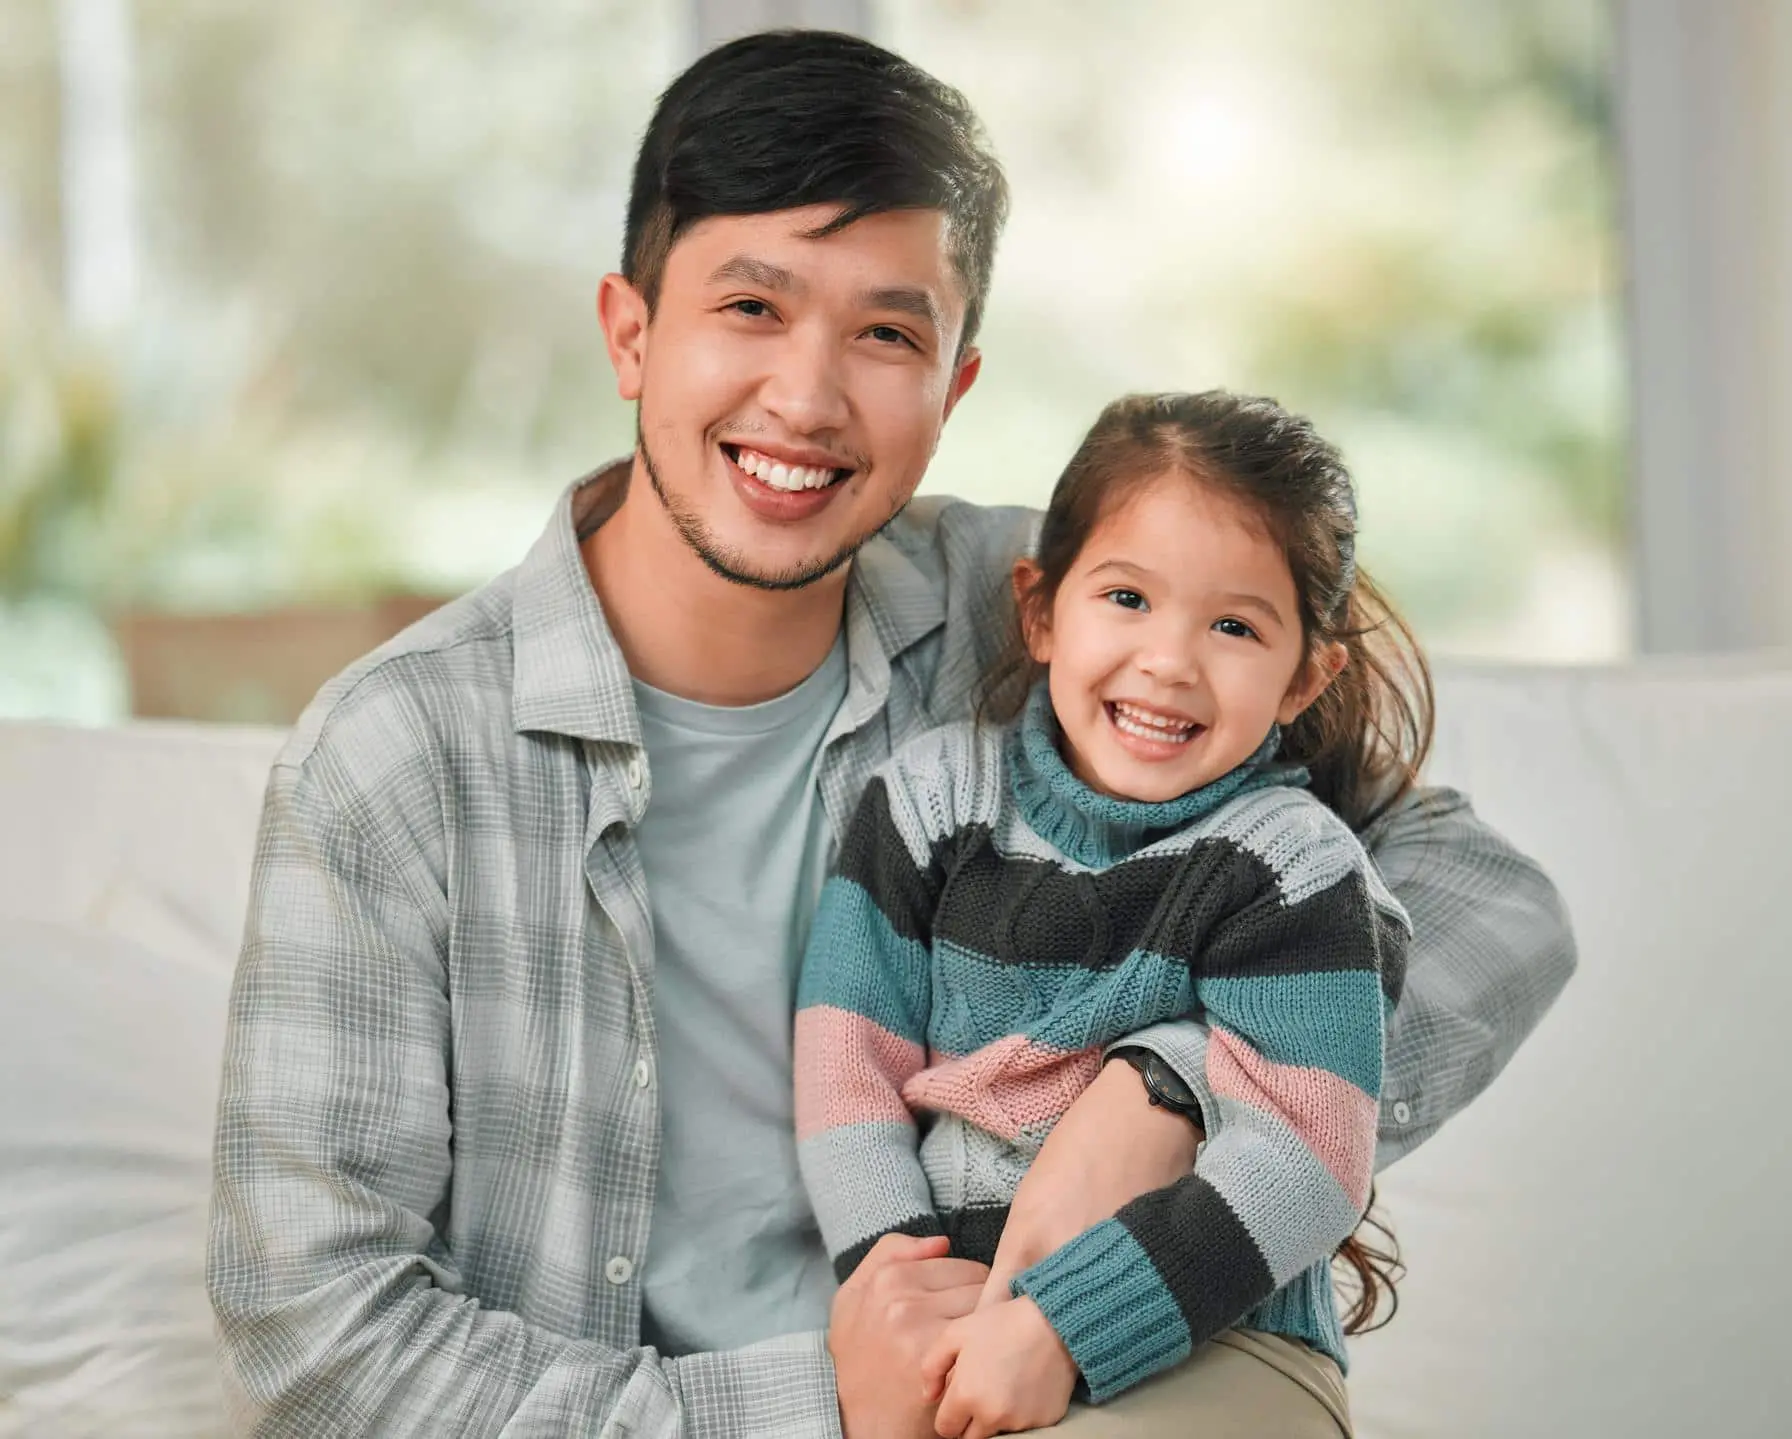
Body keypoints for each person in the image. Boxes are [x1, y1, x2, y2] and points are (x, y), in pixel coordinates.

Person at [206, 29, 1577, 1439]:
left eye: (884, 331)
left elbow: (1493, 904)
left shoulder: (1036, 616)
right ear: (630, 330)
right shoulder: (395, 756)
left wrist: (1178, 1086)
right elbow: (320, 1326)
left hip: (1041, 1394)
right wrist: (814, 1399)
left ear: (956, 385)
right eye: (750, 304)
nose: (806, 398)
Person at [796, 391, 1409, 1438]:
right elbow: (848, 1066)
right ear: (1040, 610)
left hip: (1217, 1337)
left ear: (1304, 675)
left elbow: (1305, 1159)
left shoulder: (1291, 865)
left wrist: (1062, 1327)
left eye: (1232, 625)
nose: (1168, 659)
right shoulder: (926, 803)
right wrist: (896, 1288)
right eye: (1126, 598)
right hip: (957, 1327)